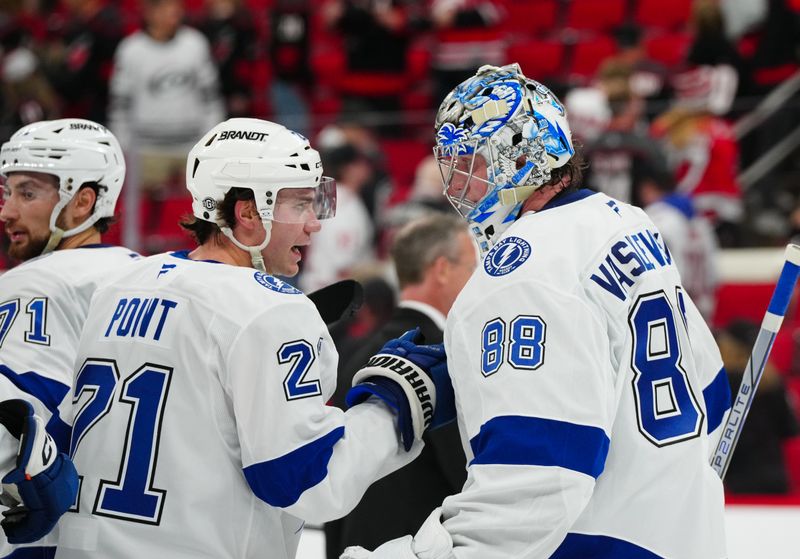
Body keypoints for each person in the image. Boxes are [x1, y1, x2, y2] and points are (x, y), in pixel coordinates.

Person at [342, 63, 730, 559]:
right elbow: (711, 398)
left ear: (521, 157)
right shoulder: (627, 225)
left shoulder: (523, 269)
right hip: (680, 536)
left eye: (472, 163)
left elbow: (535, 480)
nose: (459, 185)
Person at [54, 118, 452, 559]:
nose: (313, 224)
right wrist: (394, 406)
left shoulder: (119, 285)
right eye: (300, 205)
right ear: (246, 212)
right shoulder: (271, 308)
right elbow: (304, 482)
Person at [0, 117, 140, 554]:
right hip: (136, 533)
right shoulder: (151, 276)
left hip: (41, 537)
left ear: (83, 202)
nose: (7, 211)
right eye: (8, 192)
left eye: (28, 193)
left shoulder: (33, 282)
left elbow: (14, 424)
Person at [326, 213, 475, 558]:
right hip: (420, 546)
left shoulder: (354, 350)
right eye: (472, 267)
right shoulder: (448, 356)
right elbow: (465, 477)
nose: (478, 280)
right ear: (441, 269)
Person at [639, 165, 719, 321]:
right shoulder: (700, 220)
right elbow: (714, 273)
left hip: (673, 308)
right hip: (704, 310)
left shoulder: (654, 219)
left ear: (648, 188)